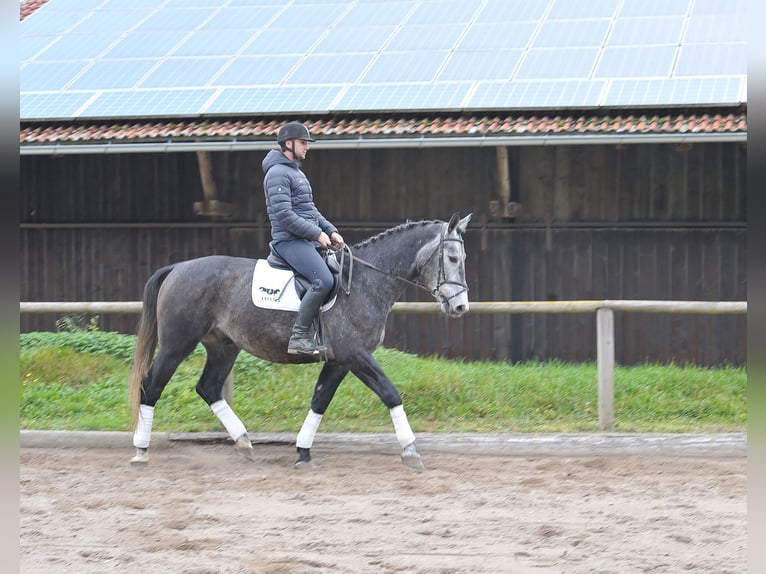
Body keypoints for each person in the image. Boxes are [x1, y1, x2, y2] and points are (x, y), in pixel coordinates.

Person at [262, 121, 344, 355]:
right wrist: (316, 234)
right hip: (288, 242)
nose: (307, 147)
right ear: (288, 144)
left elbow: (310, 210)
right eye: (303, 142)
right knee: (324, 281)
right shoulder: (277, 173)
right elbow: (285, 216)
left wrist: (330, 230)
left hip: (304, 239)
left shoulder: (295, 172)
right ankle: (298, 337)